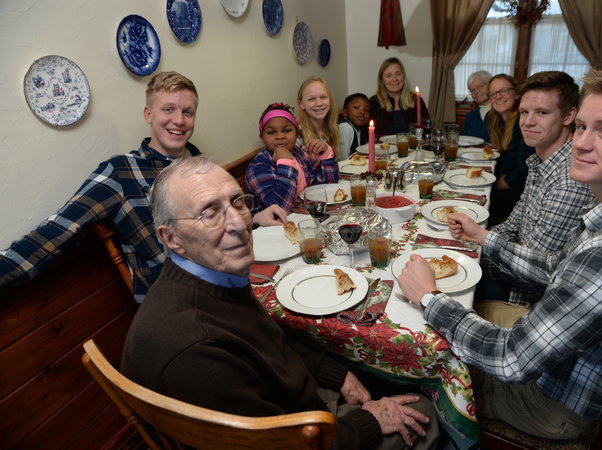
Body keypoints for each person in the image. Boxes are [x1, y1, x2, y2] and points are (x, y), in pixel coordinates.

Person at [397, 68, 602, 441]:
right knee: (449, 309)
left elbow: (510, 359)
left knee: (416, 361)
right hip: (556, 353)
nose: (581, 143)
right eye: (583, 127)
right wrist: (481, 237)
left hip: (550, 402)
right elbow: (554, 266)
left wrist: (428, 297)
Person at [122, 156, 440, 449]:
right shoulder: (195, 348)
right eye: (210, 212)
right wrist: (370, 420)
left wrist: (337, 375)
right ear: (172, 238)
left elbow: (269, 342)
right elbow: (280, 445)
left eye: (237, 202)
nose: (239, 224)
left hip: (288, 400)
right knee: (425, 410)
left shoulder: (214, 275)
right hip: (294, 433)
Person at [0, 71, 285, 302]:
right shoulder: (121, 172)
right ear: (148, 114)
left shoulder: (200, 164)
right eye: (168, 109)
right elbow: (58, 231)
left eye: (188, 112)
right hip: (176, 304)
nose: (179, 120)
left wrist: (255, 217)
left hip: (230, 286)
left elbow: (222, 222)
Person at [473, 71, 594, 306]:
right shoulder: (540, 161)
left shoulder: (569, 181)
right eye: (524, 112)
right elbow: (513, 224)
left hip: (525, 295)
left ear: (569, 116)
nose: (527, 122)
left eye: (542, 113)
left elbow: (535, 270)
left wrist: (477, 252)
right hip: (512, 269)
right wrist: (473, 245)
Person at [246, 102, 339, 214]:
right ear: (262, 138)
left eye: (287, 130)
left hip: (304, 215)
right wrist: (286, 163)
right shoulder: (258, 167)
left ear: (297, 133)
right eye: (271, 132)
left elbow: (328, 185)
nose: (280, 136)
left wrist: (326, 155)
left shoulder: (300, 155)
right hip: (276, 224)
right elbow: (280, 209)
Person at [486, 74, 535, 224]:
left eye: (504, 91)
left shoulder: (522, 122)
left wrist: (496, 185)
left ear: (517, 94)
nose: (498, 96)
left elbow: (524, 168)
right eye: (493, 93)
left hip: (519, 194)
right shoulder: (497, 120)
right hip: (509, 184)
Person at [369, 57, 429, 136]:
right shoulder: (374, 102)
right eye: (388, 76)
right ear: (382, 80)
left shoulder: (415, 100)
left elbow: (427, 129)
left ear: (403, 77)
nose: (394, 79)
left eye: (398, 74)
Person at [296, 76, 340, 155]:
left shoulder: (334, 128)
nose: (319, 103)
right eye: (312, 99)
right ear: (301, 104)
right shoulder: (296, 134)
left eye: (323, 97)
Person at [460, 70, 492, 142]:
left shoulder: (501, 112)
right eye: (472, 90)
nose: (476, 92)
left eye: (479, 87)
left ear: (490, 85)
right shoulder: (470, 116)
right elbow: (463, 140)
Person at [338, 93, 370, 160]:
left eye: (366, 110)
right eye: (356, 107)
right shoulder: (345, 127)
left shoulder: (360, 129)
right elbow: (342, 159)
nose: (362, 112)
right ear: (345, 112)